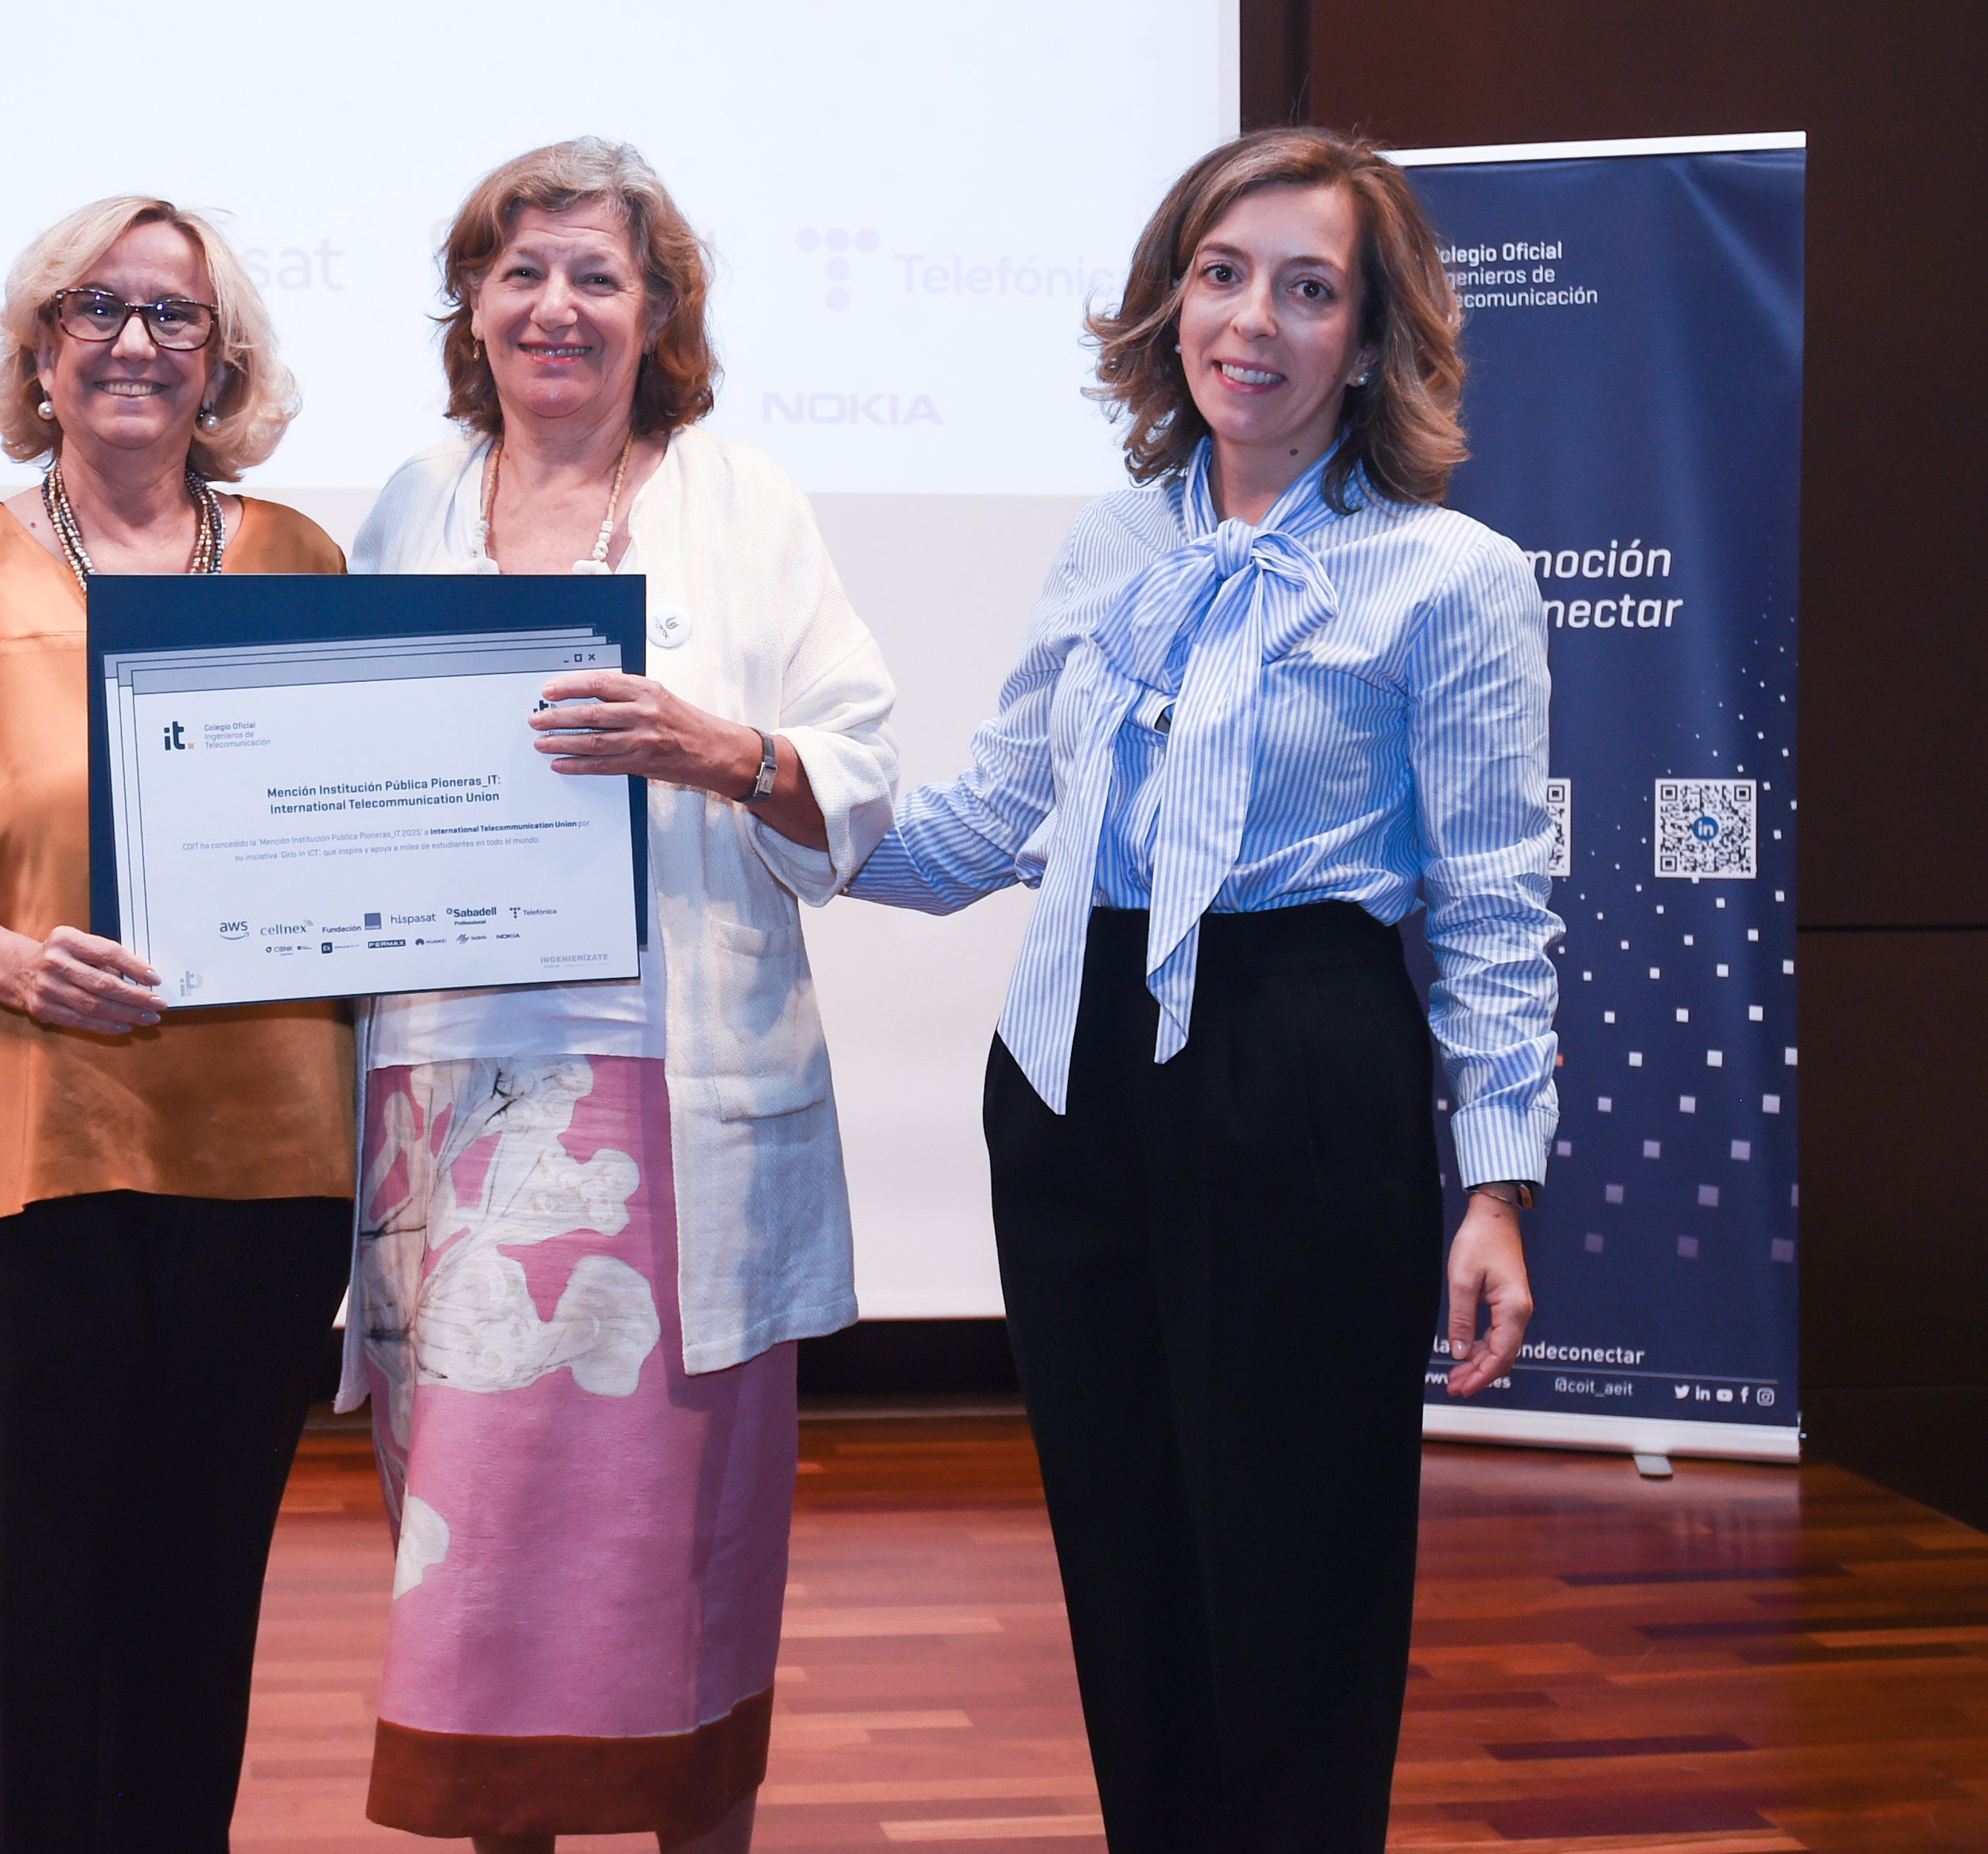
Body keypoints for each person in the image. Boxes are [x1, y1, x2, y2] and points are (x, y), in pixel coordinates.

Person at [844, 127, 1557, 1852]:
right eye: (1223, 275)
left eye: (1309, 290)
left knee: (1300, 1569)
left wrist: (1496, 1186)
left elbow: (1493, 898)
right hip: (1071, 1066)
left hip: (1301, 1059)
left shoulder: (1454, 576)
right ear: (1173, 301)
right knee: (1128, 1557)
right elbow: (987, 823)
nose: (1253, 320)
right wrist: (759, 780)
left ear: (1368, 340)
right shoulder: (1111, 543)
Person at [333, 138, 898, 1854]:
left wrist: (721, 750)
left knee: (680, 1563)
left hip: (669, 1115)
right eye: (521, 272)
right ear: (472, 306)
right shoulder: (407, 504)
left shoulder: (745, 502)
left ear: (658, 316)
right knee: (472, 1562)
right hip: (444, 1105)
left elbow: (861, 764)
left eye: (597, 275)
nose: (555, 306)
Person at [0, 197, 354, 1854]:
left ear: (223, 360)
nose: (135, 341)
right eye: (95, 307)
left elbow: (357, 826)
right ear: (39, 347)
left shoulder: (301, 559)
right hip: (10, 1158)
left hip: (262, 1167)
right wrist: (8, 962)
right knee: (14, 1600)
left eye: (175, 315)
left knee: (197, 1595)